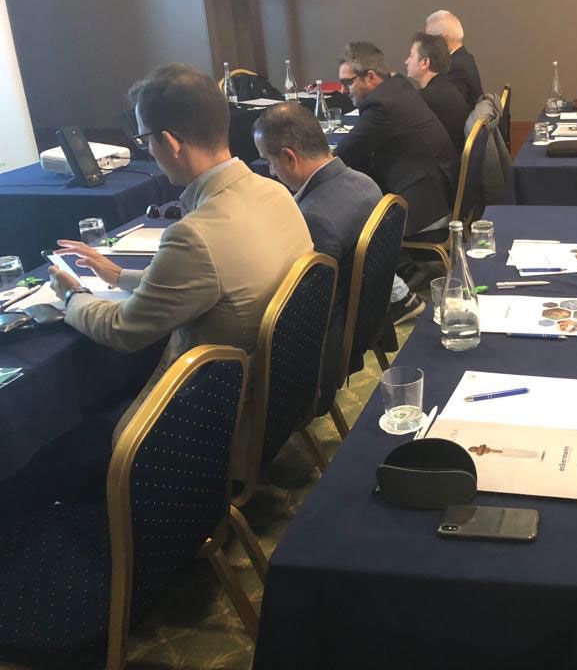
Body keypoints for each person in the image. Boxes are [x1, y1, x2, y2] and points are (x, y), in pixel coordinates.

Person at [1, 63, 313, 513]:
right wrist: (117, 276)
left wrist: (70, 297)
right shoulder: (274, 192)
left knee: (53, 452)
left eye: (145, 139)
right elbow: (208, 281)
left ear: (170, 141)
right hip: (273, 396)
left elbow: (124, 331)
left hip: (209, 419)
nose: (148, 149)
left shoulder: (196, 235)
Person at [254, 102, 382, 417]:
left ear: (289, 157)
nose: (271, 172)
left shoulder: (313, 218)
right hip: (366, 324)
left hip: (322, 353)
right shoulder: (365, 183)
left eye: (270, 161)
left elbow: (303, 307)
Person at [335, 41, 458, 323]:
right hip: (437, 192)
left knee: (346, 216)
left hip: (427, 209)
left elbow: (341, 156)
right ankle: (404, 268)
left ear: (371, 77)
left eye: (347, 82)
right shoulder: (399, 86)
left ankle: (400, 299)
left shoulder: (381, 106)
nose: (343, 90)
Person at [406, 31, 472, 154]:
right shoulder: (447, 86)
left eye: (411, 56)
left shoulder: (427, 98)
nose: (406, 61)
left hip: (444, 162)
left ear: (425, 62)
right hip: (454, 156)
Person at [425, 9, 484, 107]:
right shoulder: (464, 58)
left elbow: (446, 107)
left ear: (441, 40)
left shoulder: (455, 68)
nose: (426, 45)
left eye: (428, 40)